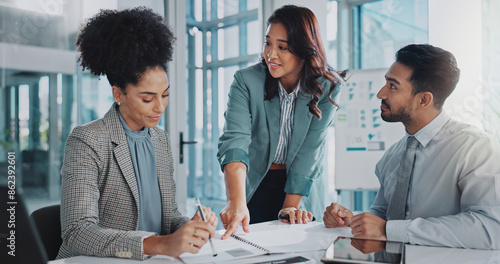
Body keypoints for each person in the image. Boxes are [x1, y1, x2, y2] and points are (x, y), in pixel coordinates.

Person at [58, 7, 217, 260]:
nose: (160, 107)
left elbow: (169, 218)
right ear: (118, 94)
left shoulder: (160, 140)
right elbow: (78, 232)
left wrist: (189, 226)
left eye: (165, 95)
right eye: (147, 98)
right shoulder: (87, 140)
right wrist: (160, 245)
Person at [323, 44, 500, 249]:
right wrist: (351, 220)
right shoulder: (393, 156)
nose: (381, 94)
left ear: (424, 99)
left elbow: (490, 228)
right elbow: (382, 214)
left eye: (392, 86)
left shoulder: (475, 149)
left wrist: (388, 230)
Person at [218, 4, 345, 239]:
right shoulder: (246, 81)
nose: (271, 55)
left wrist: (291, 206)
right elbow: (235, 141)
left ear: (305, 50)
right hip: (255, 181)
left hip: (300, 186)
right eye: (268, 43)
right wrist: (235, 201)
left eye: (282, 47)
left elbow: (311, 150)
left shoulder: (328, 86)